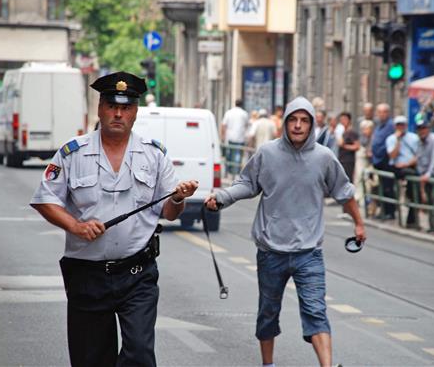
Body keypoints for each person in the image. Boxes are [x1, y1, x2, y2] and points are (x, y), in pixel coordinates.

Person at [30, 71, 198, 367]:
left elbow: (169, 213)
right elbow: (45, 199)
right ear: (100, 108)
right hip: (87, 273)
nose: (118, 114)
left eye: (126, 108)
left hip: (138, 273)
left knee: (141, 355)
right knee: (91, 359)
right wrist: (76, 226)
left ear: (135, 112)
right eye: (112, 106)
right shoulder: (73, 152)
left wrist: (178, 198)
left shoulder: (153, 155)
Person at [205, 96, 366, 367]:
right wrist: (222, 197)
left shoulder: (324, 158)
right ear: (286, 123)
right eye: (293, 119)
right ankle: (268, 365)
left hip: (309, 253)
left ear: (312, 124)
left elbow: (345, 193)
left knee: (316, 311)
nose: (298, 125)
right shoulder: (267, 153)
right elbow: (247, 184)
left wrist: (359, 223)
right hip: (271, 251)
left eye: (304, 120)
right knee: (268, 314)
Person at [386, 116, 420, 228]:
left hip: (410, 167)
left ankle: (411, 220)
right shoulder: (391, 139)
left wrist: (407, 163)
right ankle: (394, 212)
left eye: (402, 125)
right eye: (398, 125)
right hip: (397, 168)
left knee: (414, 193)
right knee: (391, 190)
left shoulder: (414, 138)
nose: (400, 127)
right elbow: (392, 155)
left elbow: (418, 155)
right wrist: (398, 141)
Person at [415, 118, 434, 233]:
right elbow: (419, 158)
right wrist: (421, 173)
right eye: (419, 129)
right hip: (424, 175)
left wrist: (428, 174)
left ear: (428, 129)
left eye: (423, 128)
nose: (422, 131)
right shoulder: (419, 141)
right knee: (429, 202)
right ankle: (432, 226)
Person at [371, 103, 395, 219]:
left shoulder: (390, 125)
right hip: (378, 161)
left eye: (384, 112)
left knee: (388, 187)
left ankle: (390, 212)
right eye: (379, 112)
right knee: (381, 187)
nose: (381, 114)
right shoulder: (379, 125)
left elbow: (387, 144)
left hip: (385, 161)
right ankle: (384, 210)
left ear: (388, 113)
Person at [221, 99, 249, 176]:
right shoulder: (244, 114)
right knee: (238, 155)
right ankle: (236, 172)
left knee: (229, 154)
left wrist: (223, 136)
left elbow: (223, 125)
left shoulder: (229, 112)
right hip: (240, 138)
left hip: (230, 137)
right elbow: (247, 125)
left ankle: (229, 171)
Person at [337, 112, 360, 182]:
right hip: (342, 159)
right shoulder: (343, 132)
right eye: (341, 120)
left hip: (348, 161)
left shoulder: (351, 132)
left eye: (344, 119)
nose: (343, 121)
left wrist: (344, 146)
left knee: (348, 180)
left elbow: (357, 146)